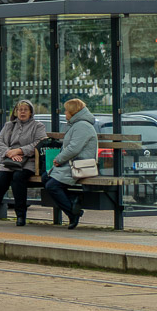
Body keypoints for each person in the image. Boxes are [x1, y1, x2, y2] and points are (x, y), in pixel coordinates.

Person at [0, 100, 47, 226]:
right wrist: (9, 153)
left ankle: (20, 216)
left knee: (18, 178)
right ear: (15, 112)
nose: (22, 112)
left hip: (27, 162)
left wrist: (20, 151)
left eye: (25, 109)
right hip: (8, 162)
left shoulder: (38, 126)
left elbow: (40, 143)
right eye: (19, 110)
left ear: (31, 112)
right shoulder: (9, 125)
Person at [44, 98, 97, 229]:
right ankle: (73, 201)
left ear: (73, 112)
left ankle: (73, 214)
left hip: (78, 165)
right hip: (71, 163)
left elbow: (73, 148)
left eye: (66, 111)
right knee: (45, 178)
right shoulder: (76, 124)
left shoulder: (82, 126)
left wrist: (58, 160)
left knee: (52, 185)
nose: (65, 113)